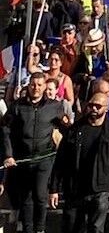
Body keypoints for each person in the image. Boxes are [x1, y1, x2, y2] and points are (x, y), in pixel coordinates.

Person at [49, 92, 109, 233]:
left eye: (98, 106)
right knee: (71, 227)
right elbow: (60, 161)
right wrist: (54, 189)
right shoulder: (74, 131)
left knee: (96, 228)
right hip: (75, 188)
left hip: (101, 189)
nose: (94, 109)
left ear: (106, 108)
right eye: (91, 105)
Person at [2, 72, 65, 233]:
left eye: (39, 85)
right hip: (23, 158)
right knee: (26, 197)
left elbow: (65, 127)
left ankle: (40, 228)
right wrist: (8, 154)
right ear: (28, 85)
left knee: (39, 194)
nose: (35, 88)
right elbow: (5, 129)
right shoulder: (17, 106)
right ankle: (28, 229)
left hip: (44, 157)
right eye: (33, 85)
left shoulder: (54, 106)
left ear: (44, 86)